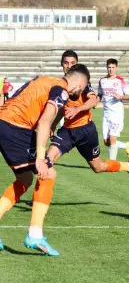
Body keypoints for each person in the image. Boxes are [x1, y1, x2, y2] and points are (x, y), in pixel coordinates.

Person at [0, 65, 90, 255]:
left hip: (5, 123)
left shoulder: (45, 80)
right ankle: (35, 235)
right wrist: (41, 158)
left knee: (25, 179)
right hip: (15, 127)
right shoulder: (62, 90)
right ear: (80, 84)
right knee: (48, 173)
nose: (79, 93)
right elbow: (44, 121)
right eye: (82, 89)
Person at [48, 50, 129, 182]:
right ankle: (38, 201)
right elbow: (64, 108)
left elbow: (93, 101)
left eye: (72, 63)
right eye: (66, 63)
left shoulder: (83, 82)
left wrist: (77, 109)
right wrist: (53, 124)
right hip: (67, 131)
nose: (69, 66)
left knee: (98, 167)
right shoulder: (60, 83)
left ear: (77, 64)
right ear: (62, 64)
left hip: (85, 131)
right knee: (47, 160)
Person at [98, 59, 129, 161]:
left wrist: (121, 97)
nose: (111, 69)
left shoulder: (120, 81)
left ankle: (112, 164)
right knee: (106, 142)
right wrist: (95, 102)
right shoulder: (102, 81)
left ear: (116, 68)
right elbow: (100, 94)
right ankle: (126, 146)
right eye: (109, 67)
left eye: (113, 67)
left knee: (112, 138)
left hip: (117, 114)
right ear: (107, 68)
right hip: (106, 114)